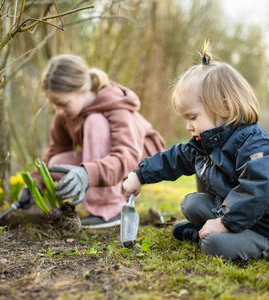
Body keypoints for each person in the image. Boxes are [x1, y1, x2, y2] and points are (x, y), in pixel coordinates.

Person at [122, 43, 269, 260]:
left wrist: (224, 223)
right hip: (233, 213)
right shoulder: (206, 143)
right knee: (191, 203)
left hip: (265, 226)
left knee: (213, 244)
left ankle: (206, 235)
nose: (188, 126)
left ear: (224, 108)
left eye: (193, 117)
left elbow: (259, 191)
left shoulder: (255, 143)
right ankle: (212, 229)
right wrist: (140, 175)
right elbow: (174, 159)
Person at [21, 54, 165, 229]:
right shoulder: (64, 115)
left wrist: (87, 174)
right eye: (54, 105)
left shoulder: (114, 104)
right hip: (112, 159)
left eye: (63, 103)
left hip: (141, 157)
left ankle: (110, 210)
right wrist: (34, 184)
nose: (59, 110)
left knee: (94, 121)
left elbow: (127, 157)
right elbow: (55, 151)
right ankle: (105, 201)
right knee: (56, 163)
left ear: (82, 89)